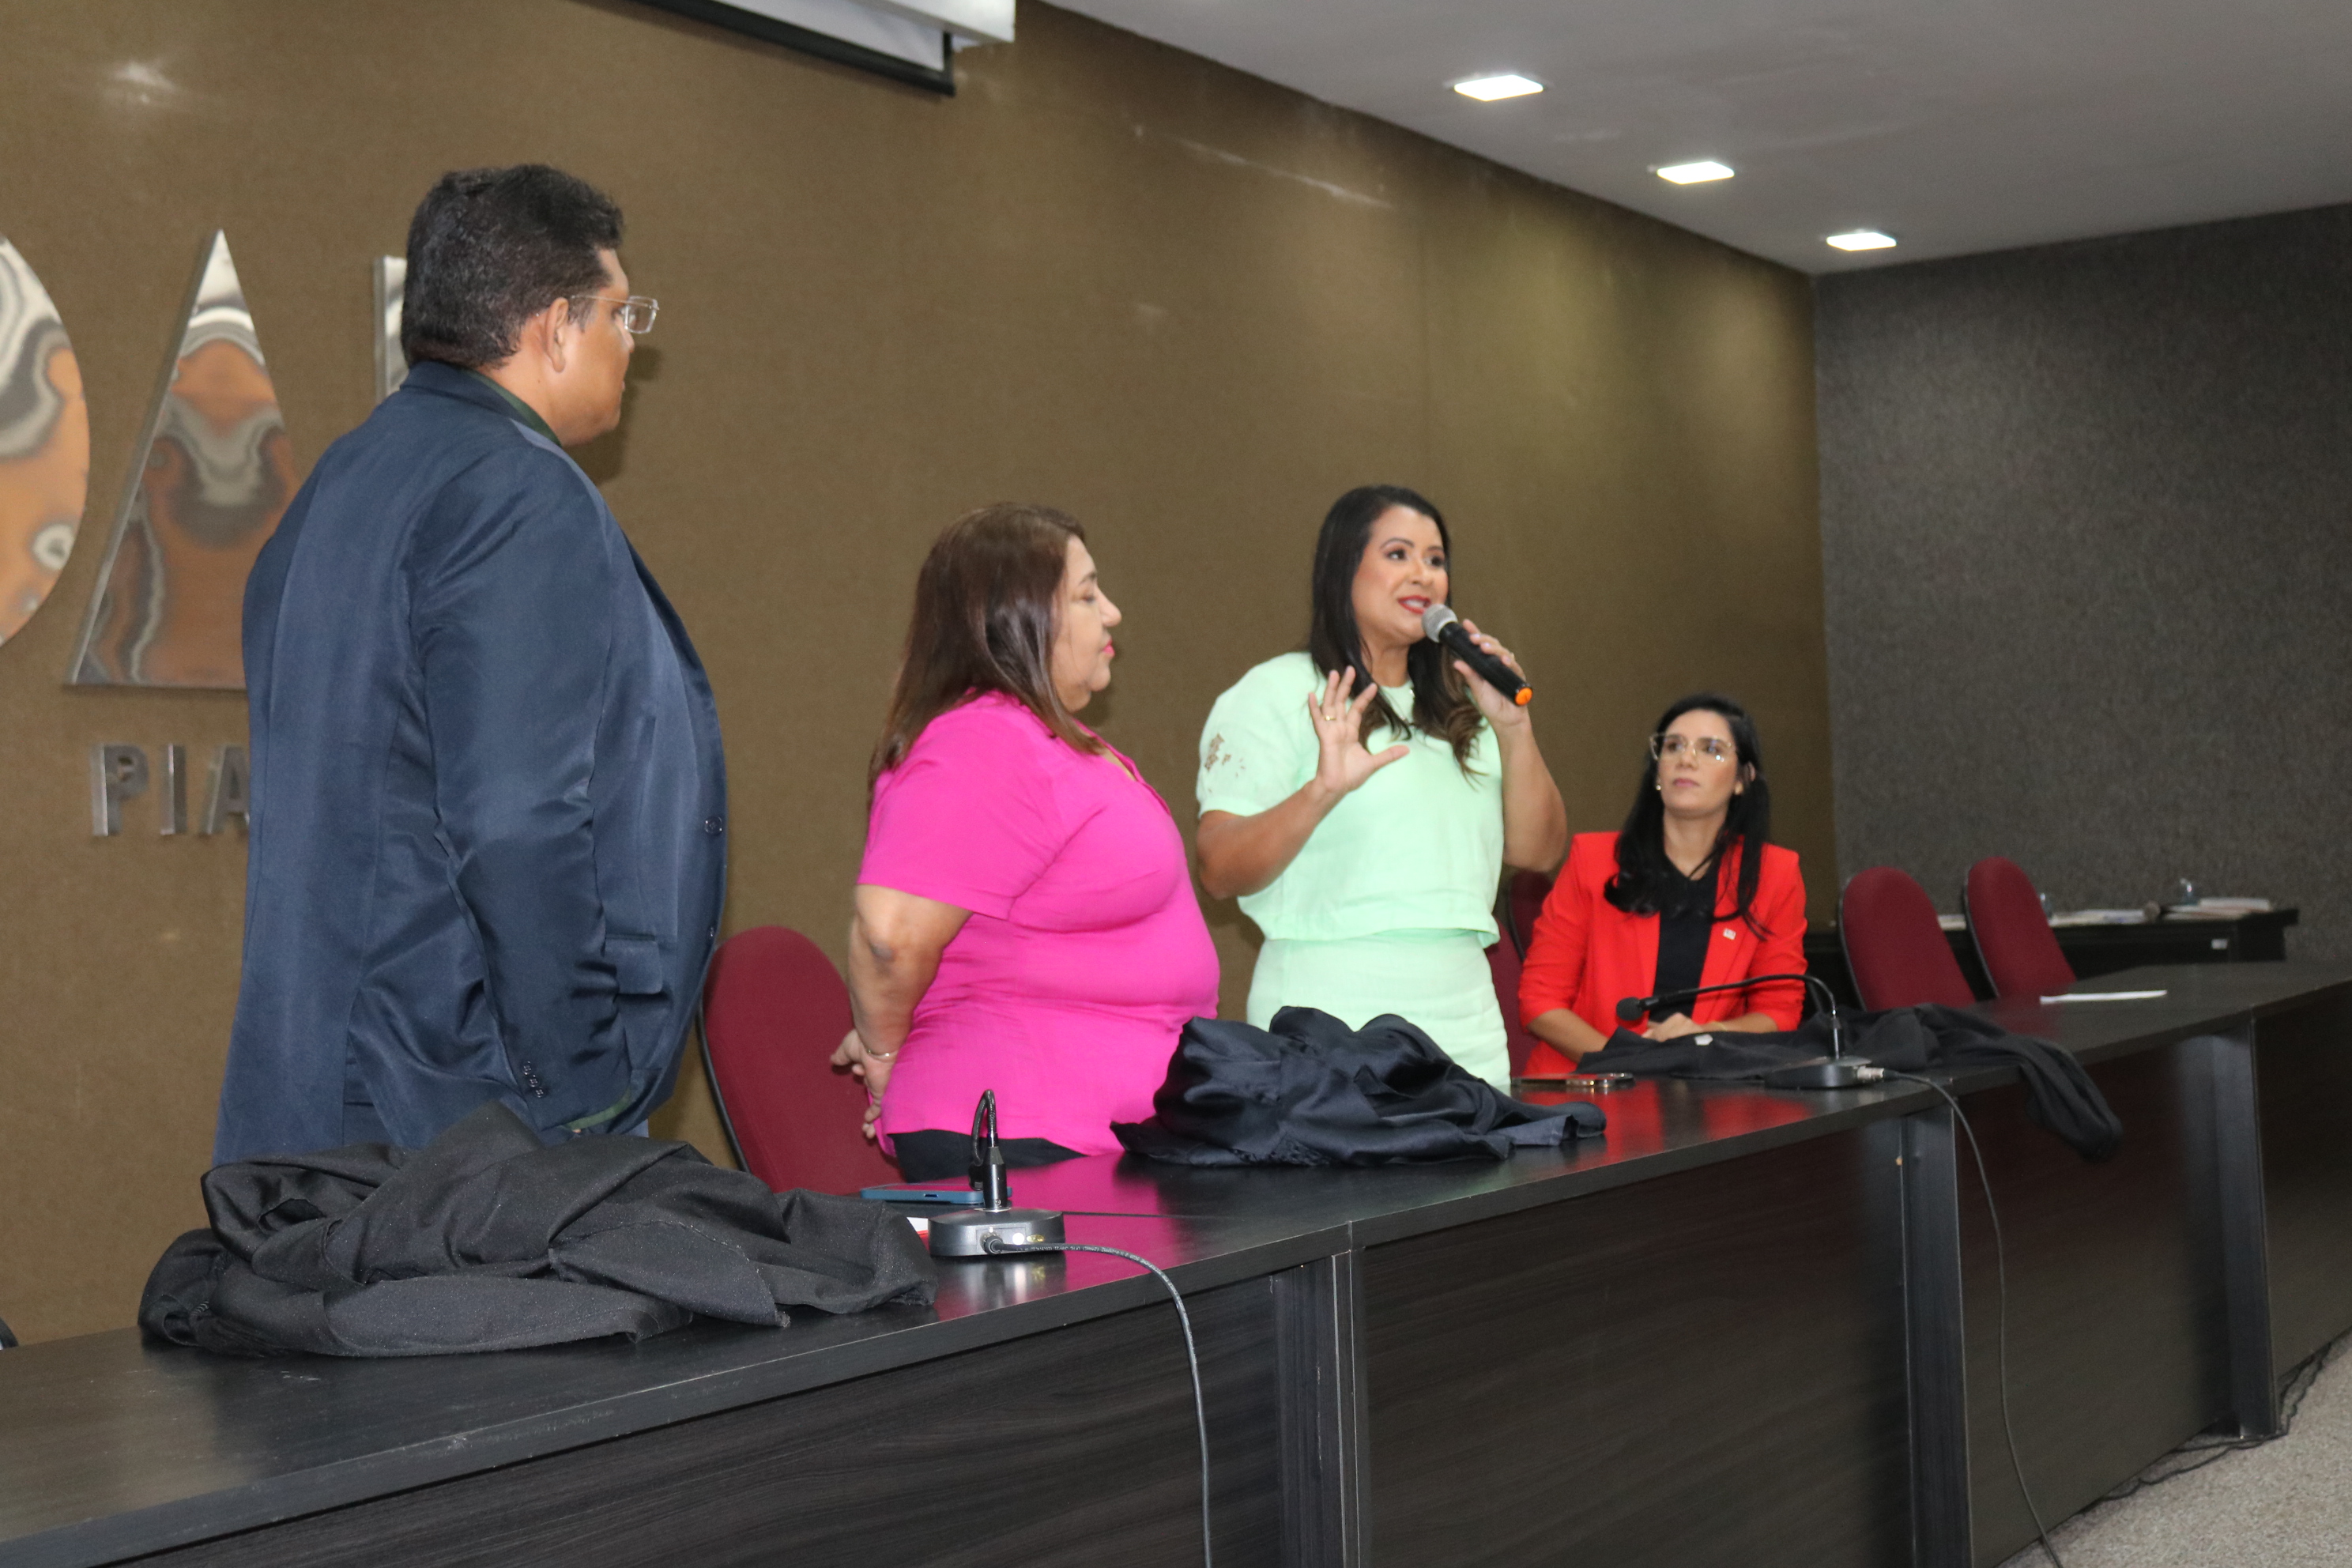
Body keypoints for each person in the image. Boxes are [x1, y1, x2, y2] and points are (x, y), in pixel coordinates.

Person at [215, 166, 725, 1162]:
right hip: (463, 1110)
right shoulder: (519, 491)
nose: (632, 342)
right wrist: (582, 1085)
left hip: (321, 1091)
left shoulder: (342, 480)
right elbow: (516, 820)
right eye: (622, 314)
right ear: (555, 328)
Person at [831, 504, 1219, 1182]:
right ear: (1020, 618)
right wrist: (885, 1057)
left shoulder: (1042, 737)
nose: (1113, 612)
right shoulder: (984, 739)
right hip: (1026, 1137)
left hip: (1088, 1137)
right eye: (1087, 595)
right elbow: (890, 935)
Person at [1193, 484, 1566, 1091]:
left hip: (1465, 1018)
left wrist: (1513, 727)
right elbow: (1219, 869)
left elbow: (1538, 853)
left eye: (1436, 560)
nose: (1423, 574)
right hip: (1328, 1013)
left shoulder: (1466, 710)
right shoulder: (1276, 692)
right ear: (1344, 569)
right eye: (1398, 554)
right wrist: (1322, 790)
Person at [1517, 695, 1806, 1071]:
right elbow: (1540, 1002)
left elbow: (1780, 1011)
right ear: (1657, 772)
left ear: (1742, 779)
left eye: (1711, 749)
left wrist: (1705, 1037)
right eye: (1673, 746)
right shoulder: (1592, 860)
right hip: (1589, 1082)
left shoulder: (1774, 874)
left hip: (1709, 1083)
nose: (1687, 759)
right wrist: (1629, 1063)